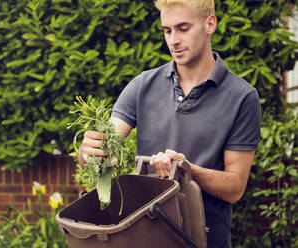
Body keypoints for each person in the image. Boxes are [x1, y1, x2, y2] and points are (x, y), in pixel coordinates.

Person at [78, 0, 261, 247]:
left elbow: (235, 187)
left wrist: (185, 170)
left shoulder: (242, 97)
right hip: (142, 238)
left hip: (204, 240)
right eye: (167, 30)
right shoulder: (142, 86)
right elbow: (104, 150)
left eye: (183, 28)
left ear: (210, 24)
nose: (173, 40)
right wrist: (89, 151)